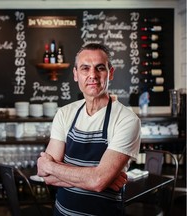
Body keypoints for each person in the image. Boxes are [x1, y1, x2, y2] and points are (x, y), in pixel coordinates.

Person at [37, 43, 141, 215]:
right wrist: (96, 178)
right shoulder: (64, 113)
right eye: (85, 68)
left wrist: (51, 166)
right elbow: (45, 176)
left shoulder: (127, 120)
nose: (93, 75)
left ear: (111, 73)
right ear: (76, 74)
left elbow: (98, 181)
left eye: (100, 68)